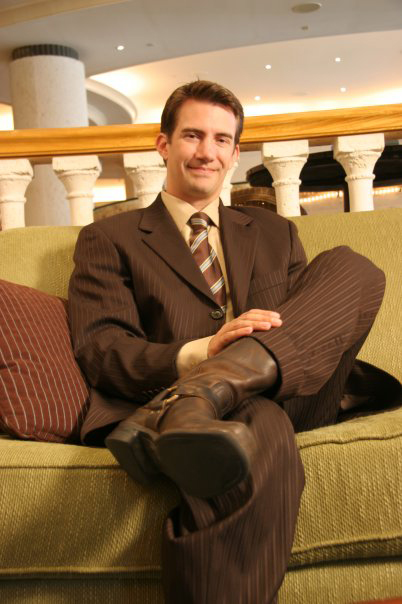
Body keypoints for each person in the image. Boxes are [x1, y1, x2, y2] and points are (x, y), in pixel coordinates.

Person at [68, 80, 394, 603]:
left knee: (354, 267)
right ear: (163, 144)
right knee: (257, 428)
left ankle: (198, 397)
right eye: (192, 135)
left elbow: (307, 327)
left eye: (222, 139)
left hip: (290, 390)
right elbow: (102, 348)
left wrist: (230, 368)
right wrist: (202, 353)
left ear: (236, 153)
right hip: (210, 406)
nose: (207, 152)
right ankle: (199, 396)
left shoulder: (275, 232)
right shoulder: (110, 238)